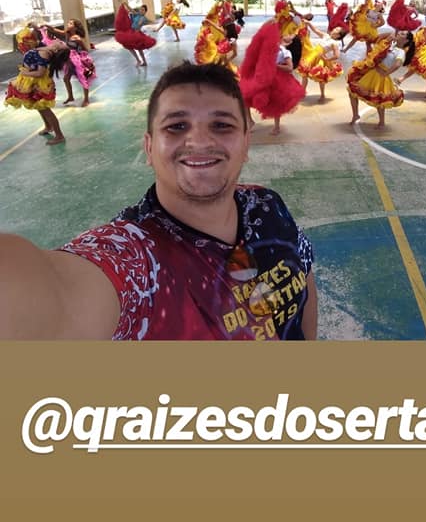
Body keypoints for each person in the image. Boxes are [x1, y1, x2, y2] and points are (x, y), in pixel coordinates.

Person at [0, 62, 318, 340]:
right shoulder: (136, 257)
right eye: (176, 126)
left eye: (222, 125)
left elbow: (303, 280)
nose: (199, 140)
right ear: (149, 148)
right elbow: (46, 298)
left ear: (246, 143)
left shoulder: (266, 204)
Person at [4, 29, 70, 145]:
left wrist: (26, 73)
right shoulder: (45, 48)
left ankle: (59, 136)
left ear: (56, 50)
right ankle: (48, 126)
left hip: (37, 84)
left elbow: (40, 72)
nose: (60, 40)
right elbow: (35, 40)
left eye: (61, 43)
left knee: (45, 109)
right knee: (38, 106)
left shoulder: (45, 54)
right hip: (31, 81)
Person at [347, 30, 415, 128]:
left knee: (379, 99)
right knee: (352, 92)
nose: (399, 33)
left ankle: (382, 122)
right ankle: (355, 115)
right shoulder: (390, 44)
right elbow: (378, 40)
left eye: (403, 34)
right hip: (372, 71)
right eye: (400, 32)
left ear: (406, 40)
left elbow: (397, 64)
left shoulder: (401, 52)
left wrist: (386, 73)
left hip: (380, 75)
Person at [42, 18, 96, 107]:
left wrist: (83, 57)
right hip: (68, 60)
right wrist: (46, 26)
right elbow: (54, 30)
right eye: (68, 23)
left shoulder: (77, 38)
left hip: (76, 60)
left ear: (75, 28)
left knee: (82, 78)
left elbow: (85, 49)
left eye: (70, 23)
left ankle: (86, 99)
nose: (68, 24)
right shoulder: (67, 33)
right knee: (66, 79)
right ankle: (70, 97)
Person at [114, 2, 157, 66]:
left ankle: (144, 62)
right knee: (129, 47)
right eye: (140, 9)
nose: (141, 11)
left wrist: (154, 26)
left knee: (139, 49)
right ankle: (138, 60)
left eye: (143, 10)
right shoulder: (137, 14)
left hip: (137, 34)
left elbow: (142, 24)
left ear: (145, 12)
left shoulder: (144, 18)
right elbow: (131, 10)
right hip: (131, 32)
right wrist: (126, 5)